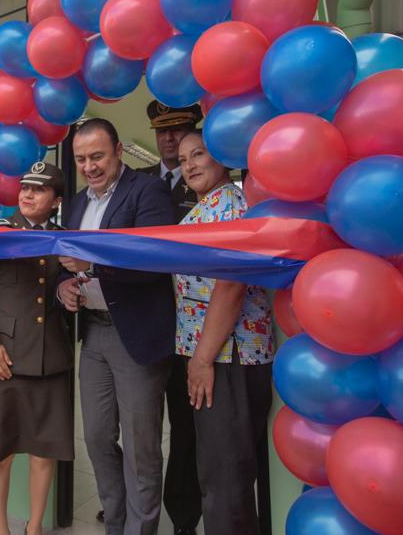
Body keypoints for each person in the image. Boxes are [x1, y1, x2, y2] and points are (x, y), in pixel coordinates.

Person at [56, 118, 176, 535]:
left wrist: (92, 265)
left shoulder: (148, 190)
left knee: (141, 447)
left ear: (119, 151)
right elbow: (65, 261)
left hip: (136, 335)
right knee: (95, 437)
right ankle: (116, 522)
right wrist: (64, 286)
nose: (89, 166)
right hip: (93, 333)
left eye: (97, 156)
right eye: (81, 159)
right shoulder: (75, 204)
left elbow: (154, 260)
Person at [175, 131, 274, 533]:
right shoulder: (207, 206)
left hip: (226, 357)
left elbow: (230, 284)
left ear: (221, 156)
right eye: (184, 159)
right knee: (222, 474)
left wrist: (201, 360)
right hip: (216, 354)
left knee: (225, 479)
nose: (190, 165)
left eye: (198, 154)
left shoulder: (231, 204)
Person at [0, 161, 73, 535]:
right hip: (5, 358)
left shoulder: (66, 238)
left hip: (50, 356)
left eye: (39, 189)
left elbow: (69, 290)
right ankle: (0, 528)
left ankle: (35, 526)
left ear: (56, 200)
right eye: (25, 187)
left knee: (44, 451)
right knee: (0, 451)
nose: (28, 194)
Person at [136, 100, 203, 535]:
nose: (169, 138)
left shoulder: (206, 184)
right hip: (143, 321)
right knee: (136, 424)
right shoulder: (137, 181)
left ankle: (183, 515)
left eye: (178, 129)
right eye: (162, 131)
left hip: (189, 325)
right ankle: (136, 503)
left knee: (184, 425)